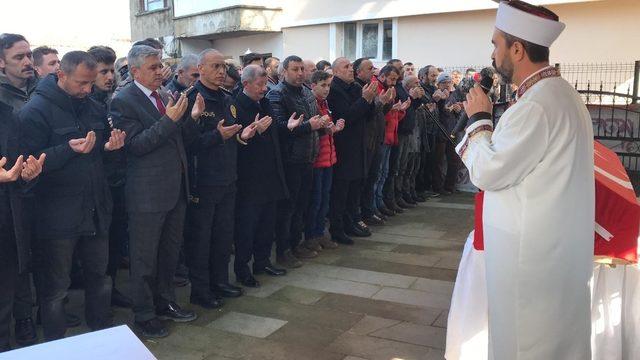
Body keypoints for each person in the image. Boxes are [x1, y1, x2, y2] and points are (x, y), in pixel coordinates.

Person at [454, 1, 593, 358]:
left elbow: (490, 171)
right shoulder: (560, 93)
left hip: (529, 257)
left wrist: (479, 119)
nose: (493, 53)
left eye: (496, 44)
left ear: (516, 49)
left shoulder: (535, 105)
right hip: (552, 247)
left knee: (525, 343)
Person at [20, 51, 124, 341]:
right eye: (81, 83)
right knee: (55, 289)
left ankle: (101, 334)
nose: (88, 89)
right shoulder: (34, 111)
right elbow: (25, 163)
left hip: (95, 208)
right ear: (61, 76)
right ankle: (57, 345)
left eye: (91, 83)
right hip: (56, 216)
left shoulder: (91, 106)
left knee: (100, 277)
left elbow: (100, 155)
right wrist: (67, 149)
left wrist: (110, 148)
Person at [110, 45, 199, 338]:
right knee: (144, 258)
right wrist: (170, 120)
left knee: (169, 254)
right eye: (152, 67)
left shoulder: (163, 95)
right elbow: (136, 146)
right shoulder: (123, 100)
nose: (160, 71)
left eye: (160, 65)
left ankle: (166, 302)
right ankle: (144, 313)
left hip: (175, 188)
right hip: (147, 193)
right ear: (134, 71)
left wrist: (188, 118)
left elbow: (176, 138)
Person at [183, 49, 260, 300]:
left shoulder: (227, 97)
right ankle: (201, 290)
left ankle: (220, 281)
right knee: (201, 238)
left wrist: (242, 135)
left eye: (223, 67)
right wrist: (218, 136)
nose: (221, 72)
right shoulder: (191, 99)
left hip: (228, 176)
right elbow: (187, 143)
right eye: (215, 66)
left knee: (223, 235)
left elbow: (231, 133)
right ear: (201, 68)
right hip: (203, 180)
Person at [233, 65, 292, 286]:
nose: (264, 88)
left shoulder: (265, 103)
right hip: (249, 178)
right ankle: (242, 268)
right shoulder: (236, 105)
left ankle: (262, 260)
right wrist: (249, 134)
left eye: (265, 83)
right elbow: (236, 140)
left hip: (270, 174)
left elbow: (275, 131)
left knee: (267, 223)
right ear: (246, 84)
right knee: (247, 227)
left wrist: (289, 127)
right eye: (259, 84)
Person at [0, 33, 40, 346]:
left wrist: (29, 172)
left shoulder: (43, 92)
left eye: (29, 55)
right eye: (18, 57)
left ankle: (25, 319)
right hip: (6, 204)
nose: (27, 62)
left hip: (29, 196)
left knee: (22, 264)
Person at [266, 55, 324, 267]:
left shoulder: (307, 92)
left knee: (302, 205)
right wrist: (309, 126)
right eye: (295, 69)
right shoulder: (276, 94)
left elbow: (314, 118)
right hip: (290, 159)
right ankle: (283, 250)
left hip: (308, 156)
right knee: (288, 208)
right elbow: (279, 127)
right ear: (284, 72)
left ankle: (296, 243)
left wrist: (323, 124)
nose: (300, 73)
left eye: (302, 69)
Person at [87, 45, 133, 309]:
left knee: (115, 241)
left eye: (111, 70)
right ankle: (99, 298)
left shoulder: (112, 99)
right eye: (103, 71)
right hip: (97, 186)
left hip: (117, 181)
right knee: (98, 248)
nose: (109, 77)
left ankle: (111, 288)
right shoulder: (86, 103)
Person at [327, 58, 377, 244]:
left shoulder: (356, 87)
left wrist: (369, 100)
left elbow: (369, 115)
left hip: (359, 144)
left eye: (351, 66)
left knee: (355, 188)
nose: (351, 70)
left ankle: (351, 222)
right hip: (344, 146)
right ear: (336, 71)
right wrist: (365, 100)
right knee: (342, 190)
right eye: (346, 67)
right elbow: (346, 117)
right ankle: (338, 228)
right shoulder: (335, 90)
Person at [305, 70, 344, 249]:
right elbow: (311, 129)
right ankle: (311, 235)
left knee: (324, 198)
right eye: (323, 85)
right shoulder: (310, 103)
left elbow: (326, 129)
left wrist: (333, 128)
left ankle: (320, 232)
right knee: (316, 199)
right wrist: (324, 128)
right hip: (317, 158)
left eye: (328, 85)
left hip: (329, 157)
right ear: (313, 86)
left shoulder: (325, 103)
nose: (327, 89)